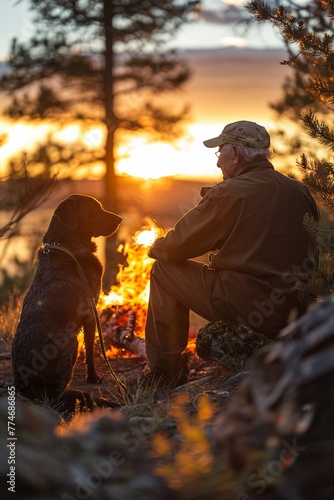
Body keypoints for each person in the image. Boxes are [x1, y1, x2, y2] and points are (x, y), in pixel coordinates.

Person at [144, 120, 320, 389]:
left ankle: (165, 374)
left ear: (235, 154)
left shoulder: (229, 192)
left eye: (220, 153)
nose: (217, 163)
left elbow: (178, 246)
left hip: (247, 304)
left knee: (163, 270)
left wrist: (156, 247)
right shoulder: (300, 191)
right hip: (295, 308)